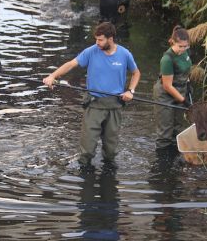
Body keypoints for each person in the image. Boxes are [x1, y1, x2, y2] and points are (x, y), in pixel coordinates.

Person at [43, 22, 140, 167]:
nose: (97, 43)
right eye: (96, 39)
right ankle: (85, 174)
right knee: (87, 150)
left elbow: (136, 73)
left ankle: (108, 175)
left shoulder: (125, 54)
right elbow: (71, 64)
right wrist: (53, 76)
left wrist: (130, 91)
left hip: (115, 105)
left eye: (100, 40)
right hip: (94, 104)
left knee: (111, 151)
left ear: (110, 38)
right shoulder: (91, 51)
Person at [153, 25, 193, 150]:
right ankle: (162, 160)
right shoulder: (167, 59)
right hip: (165, 94)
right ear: (173, 42)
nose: (182, 49)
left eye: (185, 46)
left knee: (178, 127)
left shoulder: (186, 52)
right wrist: (183, 100)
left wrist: (188, 84)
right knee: (165, 131)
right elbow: (167, 85)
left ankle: (176, 153)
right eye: (180, 46)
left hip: (181, 89)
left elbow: (186, 69)